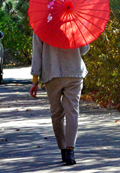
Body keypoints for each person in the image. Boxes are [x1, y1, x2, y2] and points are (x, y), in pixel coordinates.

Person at [29, 32, 90, 166]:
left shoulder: (41, 24)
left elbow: (37, 52)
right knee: (72, 112)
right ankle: (70, 151)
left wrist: (35, 80)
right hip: (74, 72)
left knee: (56, 113)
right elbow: (84, 50)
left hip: (52, 74)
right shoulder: (75, 22)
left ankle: (63, 149)